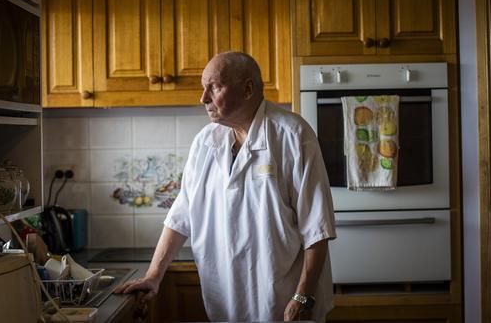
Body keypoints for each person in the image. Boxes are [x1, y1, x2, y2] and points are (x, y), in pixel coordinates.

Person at [114, 51, 336, 322]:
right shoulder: (205, 142)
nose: (203, 98)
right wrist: (153, 276)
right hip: (225, 301)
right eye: (203, 88)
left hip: (285, 302)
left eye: (215, 87)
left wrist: (303, 297)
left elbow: (317, 228)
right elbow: (182, 216)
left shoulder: (292, 135)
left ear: (248, 89)